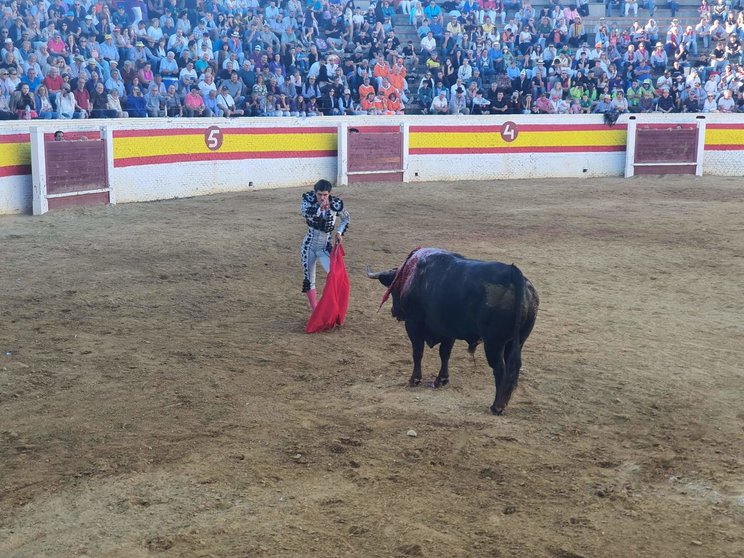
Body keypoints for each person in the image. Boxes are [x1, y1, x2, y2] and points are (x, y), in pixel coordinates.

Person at [300, 179, 350, 310]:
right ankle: (315, 310)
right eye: (319, 194)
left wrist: (339, 232)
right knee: (309, 279)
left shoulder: (336, 205)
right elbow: (305, 212)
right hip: (308, 246)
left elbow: (346, 218)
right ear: (315, 193)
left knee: (335, 275)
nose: (322, 197)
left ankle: (332, 305)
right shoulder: (308, 200)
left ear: (329, 194)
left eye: (325, 195)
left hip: (324, 247)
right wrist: (319, 208)